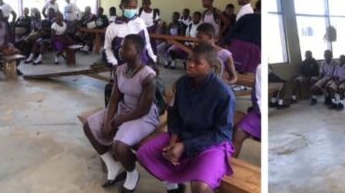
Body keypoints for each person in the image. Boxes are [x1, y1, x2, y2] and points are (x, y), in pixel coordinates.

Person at [137, 43, 235, 193]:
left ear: (210, 67)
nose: (190, 65)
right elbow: (174, 113)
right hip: (183, 135)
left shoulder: (223, 93)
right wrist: (173, 141)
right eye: (189, 60)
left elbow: (223, 133)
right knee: (144, 153)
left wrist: (185, 146)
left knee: (200, 186)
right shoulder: (182, 83)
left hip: (211, 144)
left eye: (197, 63)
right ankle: (173, 186)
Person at [83, 34, 161, 192]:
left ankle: (132, 174)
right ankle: (113, 165)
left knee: (119, 146)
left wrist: (117, 120)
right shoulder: (120, 69)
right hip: (124, 108)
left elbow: (144, 109)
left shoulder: (148, 76)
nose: (120, 50)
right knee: (88, 126)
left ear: (138, 51)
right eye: (121, 46)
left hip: (144, 116)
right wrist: (107, 120)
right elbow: (114, 98)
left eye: (126, 48)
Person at [104, 0, 159, 70]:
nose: (131, 10)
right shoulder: (112, 27)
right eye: (128, 7)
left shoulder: (140, 22)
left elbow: (147, 43)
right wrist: (114, 62)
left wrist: (153, 60)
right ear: (121, 6)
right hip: (122, 67)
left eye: (134, 7)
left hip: (141, 65)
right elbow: (107, 48)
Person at [233, 64, 261, 157]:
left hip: (261, 112)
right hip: (258, 111)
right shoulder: (260, 68)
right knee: (239, 132)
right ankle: (230, 164)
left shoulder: (261, 69)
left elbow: (260, 99)